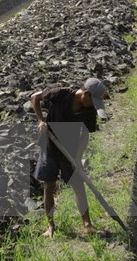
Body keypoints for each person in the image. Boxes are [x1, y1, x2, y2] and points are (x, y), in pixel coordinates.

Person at [31, 77, 109, 237]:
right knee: (49, 186)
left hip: (70, 150)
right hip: (50, 146)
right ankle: (50, 226)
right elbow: (34, 97)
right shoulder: (60, 93)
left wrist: (78, 158)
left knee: (78, 186)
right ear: (85, 94)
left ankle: (87, 225)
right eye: (93, 101)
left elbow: (85, 134)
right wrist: (41, 121)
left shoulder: (89, 111)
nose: (95, 105)